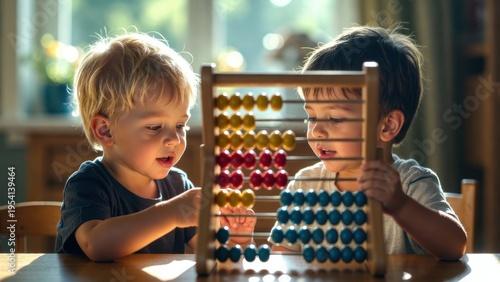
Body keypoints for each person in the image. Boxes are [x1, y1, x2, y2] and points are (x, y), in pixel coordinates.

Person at [269, 25, 467, 260]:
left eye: (335, 118)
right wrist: (241, 241)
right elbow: (281, 258)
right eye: (312, 116)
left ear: (387, 126)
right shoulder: (305, 185)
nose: (317, 131)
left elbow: (455, 246)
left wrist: (400, 205)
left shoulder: (410, 183)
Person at [55, 31, 255, 261]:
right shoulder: (87, 184)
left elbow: (212, 254)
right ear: (105, 130)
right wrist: (171, 213)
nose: (174, 139)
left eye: (180, 125)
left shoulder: (178, 186)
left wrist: (236, 240)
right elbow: (97, 245)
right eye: (155, 127)